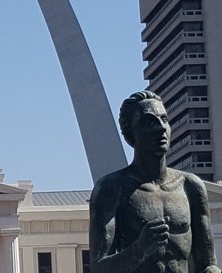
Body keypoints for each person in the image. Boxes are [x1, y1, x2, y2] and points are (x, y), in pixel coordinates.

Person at [89, 90, 220, 273]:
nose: (161, 128)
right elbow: (98, 268)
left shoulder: (190, 186)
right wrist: (140, 248)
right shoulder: (111, 188)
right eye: (149, 121)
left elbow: (207, 263)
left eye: (164, 119)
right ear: (130, 132)